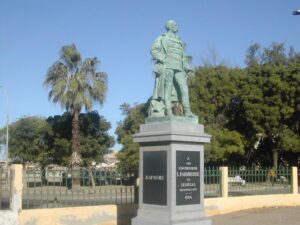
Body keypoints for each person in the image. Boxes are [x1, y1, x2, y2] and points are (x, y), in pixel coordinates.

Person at [149, 20, 195, 117]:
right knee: (168, 88)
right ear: (169, 26)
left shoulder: (179, 40)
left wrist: (188, 67)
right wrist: (163, 58)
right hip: (168, 66)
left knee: (184, 88)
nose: (176, 26)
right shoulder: (162, 38)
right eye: (174, 25)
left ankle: (188, 111)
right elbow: (154, 49)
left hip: (179, 67)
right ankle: (168, 111)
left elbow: (183, 56)